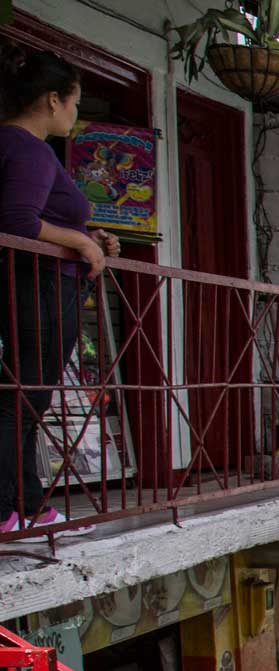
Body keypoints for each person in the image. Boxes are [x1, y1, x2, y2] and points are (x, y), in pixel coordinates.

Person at [0, 49, 119, 533]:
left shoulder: (15, 146)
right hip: (39, 288)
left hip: (34, 283)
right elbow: (14, 220)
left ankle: (29, 504)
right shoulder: (28, 147)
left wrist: (86, 240)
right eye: (74, 102)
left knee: (27, 398)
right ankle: (7, 510)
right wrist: (79, 243)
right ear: (52, 100)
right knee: (22, 399)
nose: (75, 113)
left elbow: (30, 216)